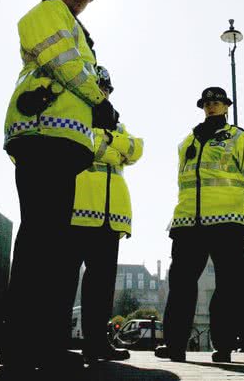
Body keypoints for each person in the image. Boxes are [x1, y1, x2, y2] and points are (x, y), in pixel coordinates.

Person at [0, 0, 118, 372]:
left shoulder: (77, 29)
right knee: (39, 242)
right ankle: (19, 343)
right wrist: (100, 101)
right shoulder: (48, 13)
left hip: (62, 141)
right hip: (42, 133)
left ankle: (41, 341)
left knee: (50, 244)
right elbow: (65, 65)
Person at [154, 87, 244, 363]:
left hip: (227, 221)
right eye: (207, 103)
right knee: (180, 283)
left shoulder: (240, 138)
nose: (212, 106)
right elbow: (183, 181)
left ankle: (224, 344)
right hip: (188, 220)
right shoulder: (186, 141)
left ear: (227, 106)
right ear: (202, 107)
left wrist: (240, 206)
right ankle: (175, 344)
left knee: (228, 284)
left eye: (217, 102)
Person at [68, 65, 143, 364]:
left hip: (111, 214)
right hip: (76, 208)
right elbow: (87, 145)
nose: (102, 94)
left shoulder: (117, 124)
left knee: (102, 286)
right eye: (97, 88)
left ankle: (97, 343)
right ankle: (52, 342)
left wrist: (109, 141)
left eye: (106, 89)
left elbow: (137, 149)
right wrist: (111, 143)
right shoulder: (74, 115)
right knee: (62, 282)